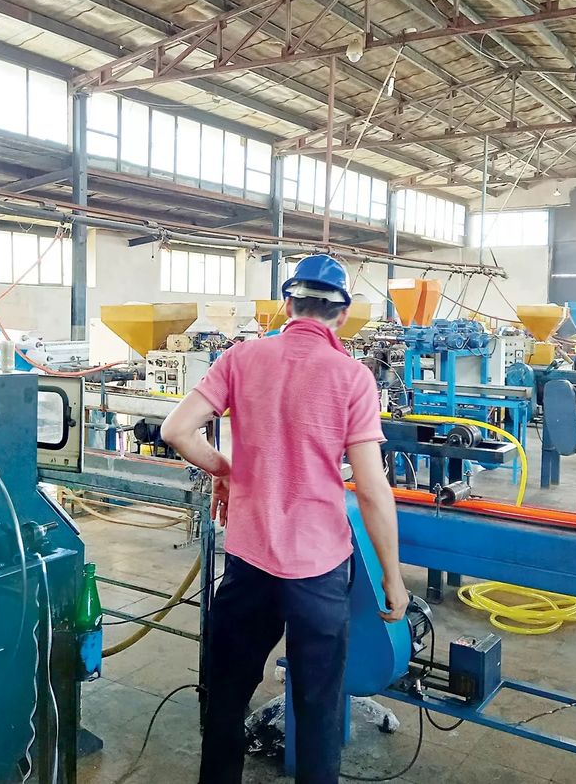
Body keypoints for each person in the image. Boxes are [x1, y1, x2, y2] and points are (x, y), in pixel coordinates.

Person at [161, 255, 407, 784]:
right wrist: (392, 577)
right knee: (318, 710)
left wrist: (225, 468)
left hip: (248, 562)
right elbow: (371, 489)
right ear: (342, 316)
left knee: (227, 698)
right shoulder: (353, 378)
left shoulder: (241, 357)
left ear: (287, 304)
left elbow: (176, 430)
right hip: (317, 571)